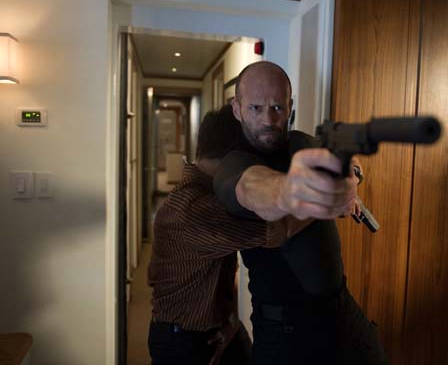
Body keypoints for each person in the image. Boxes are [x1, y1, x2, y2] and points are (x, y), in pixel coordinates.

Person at [213, 61, 388, 365]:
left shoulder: (301, 142)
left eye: (277, 107)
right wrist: (302, 192)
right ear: (237, 109)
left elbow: (347, 159)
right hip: (285, 334)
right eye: (256, 108)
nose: (268, 119)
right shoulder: (234, 166)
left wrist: (352, 177)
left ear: (290, 107)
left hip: (342, 314)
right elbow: (256, 189)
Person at [147, 105, 308, 365]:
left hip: (217, 327)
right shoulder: (195, 208)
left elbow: (220, 266)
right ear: (235, 159)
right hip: (183, 341)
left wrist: (231, 316)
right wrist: (330, 197)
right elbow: (279, 229)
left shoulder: (207, 193)